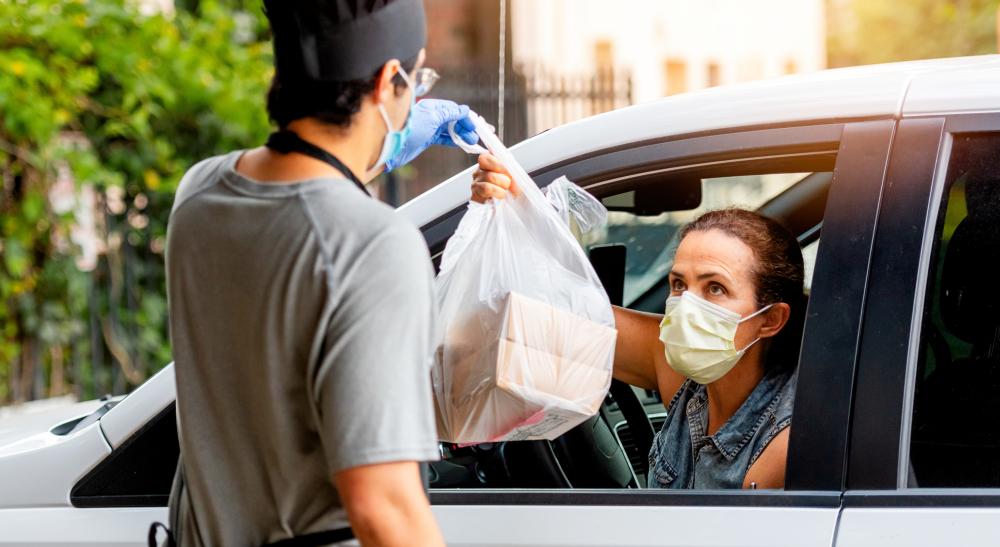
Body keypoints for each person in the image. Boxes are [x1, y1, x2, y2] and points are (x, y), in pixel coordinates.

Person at [164, 1, 474, 545]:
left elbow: (306, 194)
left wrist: (378, 153)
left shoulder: (200, 193)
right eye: (418, 79)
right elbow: (385, 506)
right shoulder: (375, 246)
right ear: (388, 81)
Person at [470, 153, 806, 490]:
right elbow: (555, 319)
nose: (687, 307)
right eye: (679, 284)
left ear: (771, 319)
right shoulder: (685, 376)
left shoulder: (782, 443)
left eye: (714, 288)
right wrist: (510, 216)